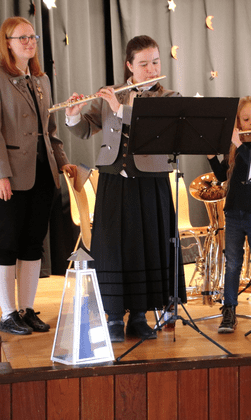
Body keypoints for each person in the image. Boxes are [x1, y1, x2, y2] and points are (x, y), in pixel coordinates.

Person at [65, 35, 186, 342]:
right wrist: (73, 114)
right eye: (144, 64)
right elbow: (85, 130)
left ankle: (140, 317)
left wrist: (119, 108)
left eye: (155, 62)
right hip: (113, 180)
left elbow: (152, 128)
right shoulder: (113, 93)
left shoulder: (169, 97)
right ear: (129, 66)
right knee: (113, 250)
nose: (151, 69)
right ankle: (115, 317)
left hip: (151, 181)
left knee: (146, 247)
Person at [0, 17, 76, 335]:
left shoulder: (41, 80)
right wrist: (1, 174)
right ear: (7, 43)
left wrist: (62, 162)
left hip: (42, 173)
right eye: (23, 38)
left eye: (33, 37)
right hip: (11, 175)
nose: (30, 42)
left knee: (34, 243)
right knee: (7, 244)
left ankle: (27, 309)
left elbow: (50, 130)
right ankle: (7, 314)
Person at [207, 96, 251, 334]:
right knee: (232, 263)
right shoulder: (236, 147)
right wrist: (211, 157)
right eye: (246, 119)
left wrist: (241, 145)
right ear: (238, 122)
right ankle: (229, 312)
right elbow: (224, 176)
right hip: (234, 212)